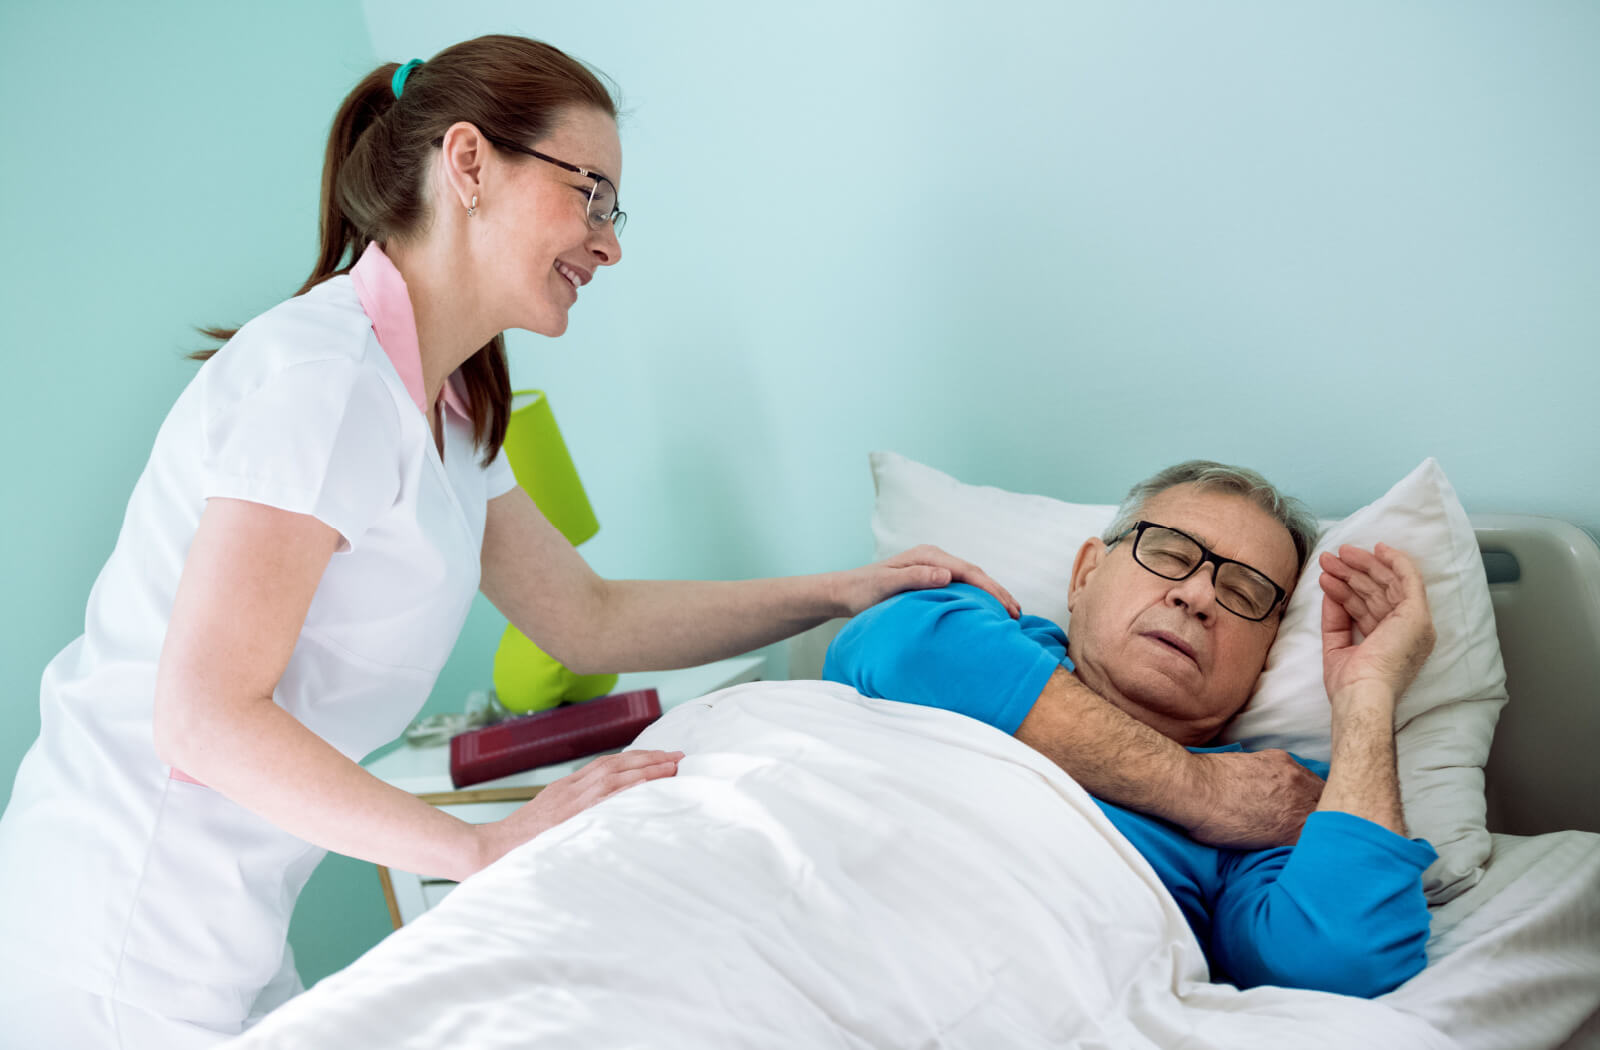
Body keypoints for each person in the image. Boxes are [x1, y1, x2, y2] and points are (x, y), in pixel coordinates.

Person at [0, 36, 1017, 1048]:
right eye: (592, 195)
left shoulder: (445, 412)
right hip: (111, 935)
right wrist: (475, 850)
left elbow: (586, 617)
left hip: (225, 931)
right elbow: (203, 720)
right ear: (471, 163)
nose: (609, 242)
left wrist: (843, 590)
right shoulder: (318, 379)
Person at [824, 461, 1440, 997]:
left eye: (1243, 593)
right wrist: (1199, 789)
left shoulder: (1272, 801)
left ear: (1268, 650)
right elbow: (892, 643)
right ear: (1086, 574)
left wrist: (1367, 695)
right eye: (1170, 554)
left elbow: (1342, 957)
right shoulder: (986, 624)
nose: (1197, 595)